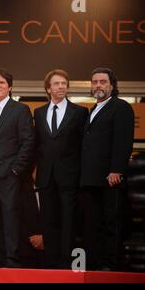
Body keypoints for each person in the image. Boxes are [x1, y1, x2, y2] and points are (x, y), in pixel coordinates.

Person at [80, 67, 135, 271]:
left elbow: (124, 140)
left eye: (103, 82)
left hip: (110, 178)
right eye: (94, 82)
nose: (98, 86)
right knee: (93, 224)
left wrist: (116, 170)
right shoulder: (93, 109)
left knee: (111, 223)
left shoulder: (120, 107)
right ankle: (95, 265)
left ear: (112, 85)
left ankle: (110, 266)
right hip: (91, 179)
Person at [0, 69, 34, 268]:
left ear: (9, 86)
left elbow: (28, 142)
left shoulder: (20, 110)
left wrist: (16, 170)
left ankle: (12, 261)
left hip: (9, 175)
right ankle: (0, 260)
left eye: (2, 83)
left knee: (10, 218)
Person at [34, 69, 88, 269]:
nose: (61, 87)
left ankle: (68, 267)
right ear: (48, 88)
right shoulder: (39, 113)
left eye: (64, 83)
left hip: (69, 177)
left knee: (69, 223)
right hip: (46, 177)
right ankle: (51, 267)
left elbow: (84, 146)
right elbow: (38, 145)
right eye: (56, 84)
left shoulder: (80, 112)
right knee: (49, 223)